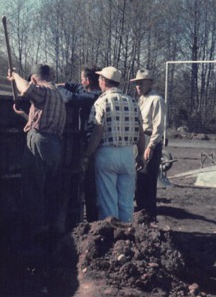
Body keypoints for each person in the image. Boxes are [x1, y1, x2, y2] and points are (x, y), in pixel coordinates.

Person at [7, 64, 67, 251]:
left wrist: (15, 76)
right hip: (54, 145)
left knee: (33, 187)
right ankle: (51, 231)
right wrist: (25, 115)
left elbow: (26, 89)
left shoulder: (44, 91)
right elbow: (44, 121)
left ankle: (34, 235)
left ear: (34, 78)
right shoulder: (58, 95)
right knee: (49, 188)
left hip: (40, 143)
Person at [83, 66, 145, 223]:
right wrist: (141, 155)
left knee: (108, 202)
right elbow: (140, 133)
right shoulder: (132, 102)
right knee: (126, 202)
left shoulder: (101, 102)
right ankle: (126, 238)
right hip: (128, 154)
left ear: (104, 81)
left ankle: (111, 238)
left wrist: (87, 154)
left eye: (100, 79)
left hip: (107, 154)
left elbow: (97, 132)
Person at [57, 66, 102, 222]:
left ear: (88, 81)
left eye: (82, 79)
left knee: (90, 185)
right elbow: (75, 86)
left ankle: (92, 220)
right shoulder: (88, 90)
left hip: (93, 145)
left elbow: (71, 99)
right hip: (87, 142)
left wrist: (58, 90)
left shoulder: (95, 96)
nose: (81, 82)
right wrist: (61, 84)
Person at [130, 69, 167, 218]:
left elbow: (158, 126)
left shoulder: (156, 100)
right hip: (140, 140)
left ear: (149, 83)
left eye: (141, 83)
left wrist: (150, 146)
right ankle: (140, 215)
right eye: (137, 84)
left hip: (149, 140)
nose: (138, 86)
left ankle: (149, 216)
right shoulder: (141, 100)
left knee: (147, 180)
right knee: (138, 179)